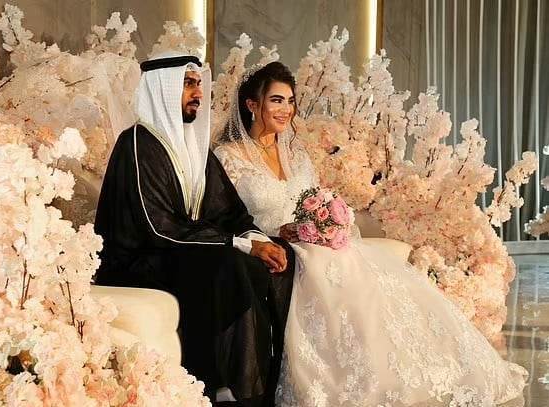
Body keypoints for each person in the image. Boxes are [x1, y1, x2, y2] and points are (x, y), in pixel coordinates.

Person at [214, 61, 527, 406]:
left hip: (314, 239)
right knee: (327, 269)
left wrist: (325, 222)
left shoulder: (294, 151)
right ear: (252, 104)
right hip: (274, 242)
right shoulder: (228, 157)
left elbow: (314, 196)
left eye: (290, 101)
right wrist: (271, 234)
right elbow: (226, 215)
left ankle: (384, 370)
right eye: (276, 100)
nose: (286, 109)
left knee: (359, 269)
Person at [93, 52, 295, 406]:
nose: (198, 93)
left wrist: (257, 239)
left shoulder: (192, 145)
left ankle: (260, 387)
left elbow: (229, 210)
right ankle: (227, 388)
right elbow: (158, 227)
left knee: (272, 259)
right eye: (188, 84)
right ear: (163, 88)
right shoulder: (137, 143)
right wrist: (239, 245)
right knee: (228, 264)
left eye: (199, 84)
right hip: (139, 260)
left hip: (180, 252)